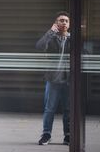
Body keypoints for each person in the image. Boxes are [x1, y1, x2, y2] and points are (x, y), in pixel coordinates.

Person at [36, 11, 70, 146]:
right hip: (53, 80)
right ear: (56, 23)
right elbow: (39, 47)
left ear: (69, 24)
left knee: (68, 109)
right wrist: (50, 32)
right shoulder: (51, 38)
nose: (64, 23)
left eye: (66, 21)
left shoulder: (72, 39)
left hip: (68, 80)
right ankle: (46, 135)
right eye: (61, 20)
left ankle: (68, 136)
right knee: (49, 109)